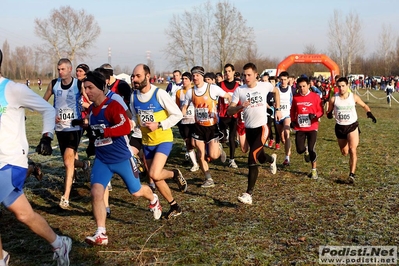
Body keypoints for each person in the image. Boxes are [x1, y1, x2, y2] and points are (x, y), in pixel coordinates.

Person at [0, 49, 72, 265]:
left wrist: (46, 137)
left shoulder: (12, 89)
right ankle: (59, 243)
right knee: (24, 215)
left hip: (11, 161)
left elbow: (48, 110)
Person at [79, 71, 162, 246]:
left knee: (136, 192)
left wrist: (105, 131)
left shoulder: (112, 105)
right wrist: (85, 125)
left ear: (101, 87)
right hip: (102, 160)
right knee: (96, 192)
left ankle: (154, 199)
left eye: (90, 87)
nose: (87, 92)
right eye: (85, 88)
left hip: (122, 158)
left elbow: (125, 127)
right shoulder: (92, 109)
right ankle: (101, 233)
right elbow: (96, 128)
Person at [131, 64, 186, 219]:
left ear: (148, 76)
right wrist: (132, 123)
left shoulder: (159, 94)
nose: (134, 79)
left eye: (138, 76)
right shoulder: (133, 96)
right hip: (147, 142)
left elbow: (177, 114)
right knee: (155, 177)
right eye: (133, 76)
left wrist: (159, 124)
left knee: (155, 173)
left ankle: (174, 173)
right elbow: (136, 117)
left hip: (163, 139)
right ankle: (174, 205)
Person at [227, 63, 280, 205]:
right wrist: (240, 107)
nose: (246, 77)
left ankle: (248, 194)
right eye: (244, 75)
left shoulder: (265, 85)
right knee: (260, 157)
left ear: (256, 75)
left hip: (262, 128)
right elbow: (229, 111)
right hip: (249, 129)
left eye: (249, 75)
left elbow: (276, 91)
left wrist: (278, 108)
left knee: (252, 157)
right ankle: (271, 160)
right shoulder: (240, 90)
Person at [43, 58, 90, 209]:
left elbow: (91, 102)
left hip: (74, 128)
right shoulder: (53, 84)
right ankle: (84, 164)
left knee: (68, 162)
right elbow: (43, 103)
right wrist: (52, 113)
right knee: (67, 161)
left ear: (70, 69)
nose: (60, 72)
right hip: (60, 128)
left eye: (63, 69)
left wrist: (86, 115)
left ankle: (66, 197)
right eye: (58, 69)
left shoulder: (78, 84)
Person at [181, 66, 230, 188]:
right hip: (198, 127)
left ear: (202, 76)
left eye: (197, 75)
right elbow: (184, 107)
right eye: (193, 75)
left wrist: (228, 107)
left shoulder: (212, 89)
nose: (195, 78)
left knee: (213, 155)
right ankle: (208, 179)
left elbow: (228, 96)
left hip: (212, 127)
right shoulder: (190, 92)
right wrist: (180, 115)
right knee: (201, 155)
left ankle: (218, 148)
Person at [326, 77, 377, 184]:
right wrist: (329, 114)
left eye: (343, 86)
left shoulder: (353, 97)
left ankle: (352, 175)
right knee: (344, 152)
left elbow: (364, 105)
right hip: (340, 127)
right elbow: (328, 112)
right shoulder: (334, 99)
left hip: (352, 126)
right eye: (339, 86)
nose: (341, 88)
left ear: (347, 86)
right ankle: (349, 160)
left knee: (353, 149)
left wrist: (369, 113)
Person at [290, 76, 324, 179]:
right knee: (299, 149)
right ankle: (305, 151)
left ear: (309, 85)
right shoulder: (296, 97)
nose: (302, 89)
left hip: (312, 127)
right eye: (300, 87)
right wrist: (292, 120)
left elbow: (321, 111)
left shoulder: (315, 97)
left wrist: (315, 115)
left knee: (312, 149)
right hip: (300, 128)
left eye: (304, 86)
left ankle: (314, 170)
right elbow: (292, 110)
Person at [217, 63, 241, 168]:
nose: (227, 73)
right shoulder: (220, 85)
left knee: (232, 138)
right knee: (222, 138)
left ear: (233, 72)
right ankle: (219, 149)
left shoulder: (238, 87)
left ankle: (232, 160)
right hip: (223, 115)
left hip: (234, 116)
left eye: (229, 71)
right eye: (225, 71)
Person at [175, 72, 199, 172]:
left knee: (196, 142)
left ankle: (203, 157)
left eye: (186, 79)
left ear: (190, 80)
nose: (184, 81)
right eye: (183, 79)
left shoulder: (195, 91)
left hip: (194, 121)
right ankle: (195, 164)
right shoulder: (178, 92)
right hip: (184, 121)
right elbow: (177, 106)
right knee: (188, 142)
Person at [275, 71, 293, 165]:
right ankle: (287, 147)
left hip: (287, 115)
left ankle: (287, 158)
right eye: (281, 80)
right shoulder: (276, 89)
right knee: (282, 138)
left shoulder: (291, 89)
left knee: (287, 133)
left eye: (285, 80)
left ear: (288, 79)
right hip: (278, 116)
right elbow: (270, 99)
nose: (283, 81)